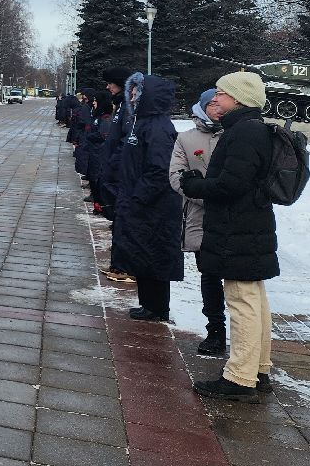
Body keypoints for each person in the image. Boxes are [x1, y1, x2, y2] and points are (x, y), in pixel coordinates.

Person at [180, 72, 278, 401]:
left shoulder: (244, 132)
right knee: (253, 299)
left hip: (239, 229)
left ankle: (240, 377)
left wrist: (195, 186)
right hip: (248, 227)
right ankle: (258, 368)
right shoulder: (249, 128)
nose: (215, 99)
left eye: (221, 93)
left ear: (238, 97)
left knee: (242, 302)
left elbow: (231, 185)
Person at [111, 73, 182, 322]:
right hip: (137, 201)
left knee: (154, 254)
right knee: (141, 254)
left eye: (136, 91)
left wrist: (138, 197)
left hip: (153, 206)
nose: (130, 95)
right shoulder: (140, 123)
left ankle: (158, 307)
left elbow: (159, 169)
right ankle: (148, 304)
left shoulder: (158, 127)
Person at [170, 88, 226, 356]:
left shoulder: (236, 135)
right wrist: (204, 195)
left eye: (221, 102)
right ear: (203, 107)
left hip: (232, 218)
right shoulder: (186, 139)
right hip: (201, 217)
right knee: (210, 275)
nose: (218, 107)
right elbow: (176, 176)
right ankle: (215, 329)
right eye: (212, 103)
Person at [97, 67, 136, 283]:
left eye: (111, 82)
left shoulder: (128, 107)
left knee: (123, 221)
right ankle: (119, 265)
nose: (107, 86)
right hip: (113, 170)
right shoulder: (122, 105)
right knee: (118, 221)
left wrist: (113, 164)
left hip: (120, 172)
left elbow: (124, 141)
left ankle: (123, 267)